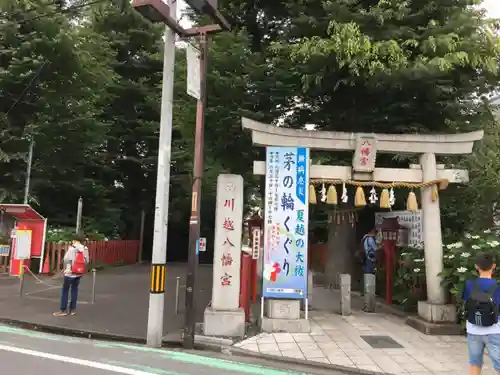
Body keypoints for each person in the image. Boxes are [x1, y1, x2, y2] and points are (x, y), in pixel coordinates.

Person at [463, 252, 500, 375]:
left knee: (474, 362)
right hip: (494, 330)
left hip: (473, 329)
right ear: (493, 266)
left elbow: (465, 301)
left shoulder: (469, 284)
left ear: (476, 266)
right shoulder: (497, 286)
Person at [53, 233, 89, 317]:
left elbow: (66, 259)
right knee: (74, 290)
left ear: (75, 240)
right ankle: (72, 310)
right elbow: (87, 261)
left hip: (70, 273)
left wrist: (68, 267)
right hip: (79, 273)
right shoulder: (85, 249)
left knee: (65, 291)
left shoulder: (72, 248)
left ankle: (63, 310)